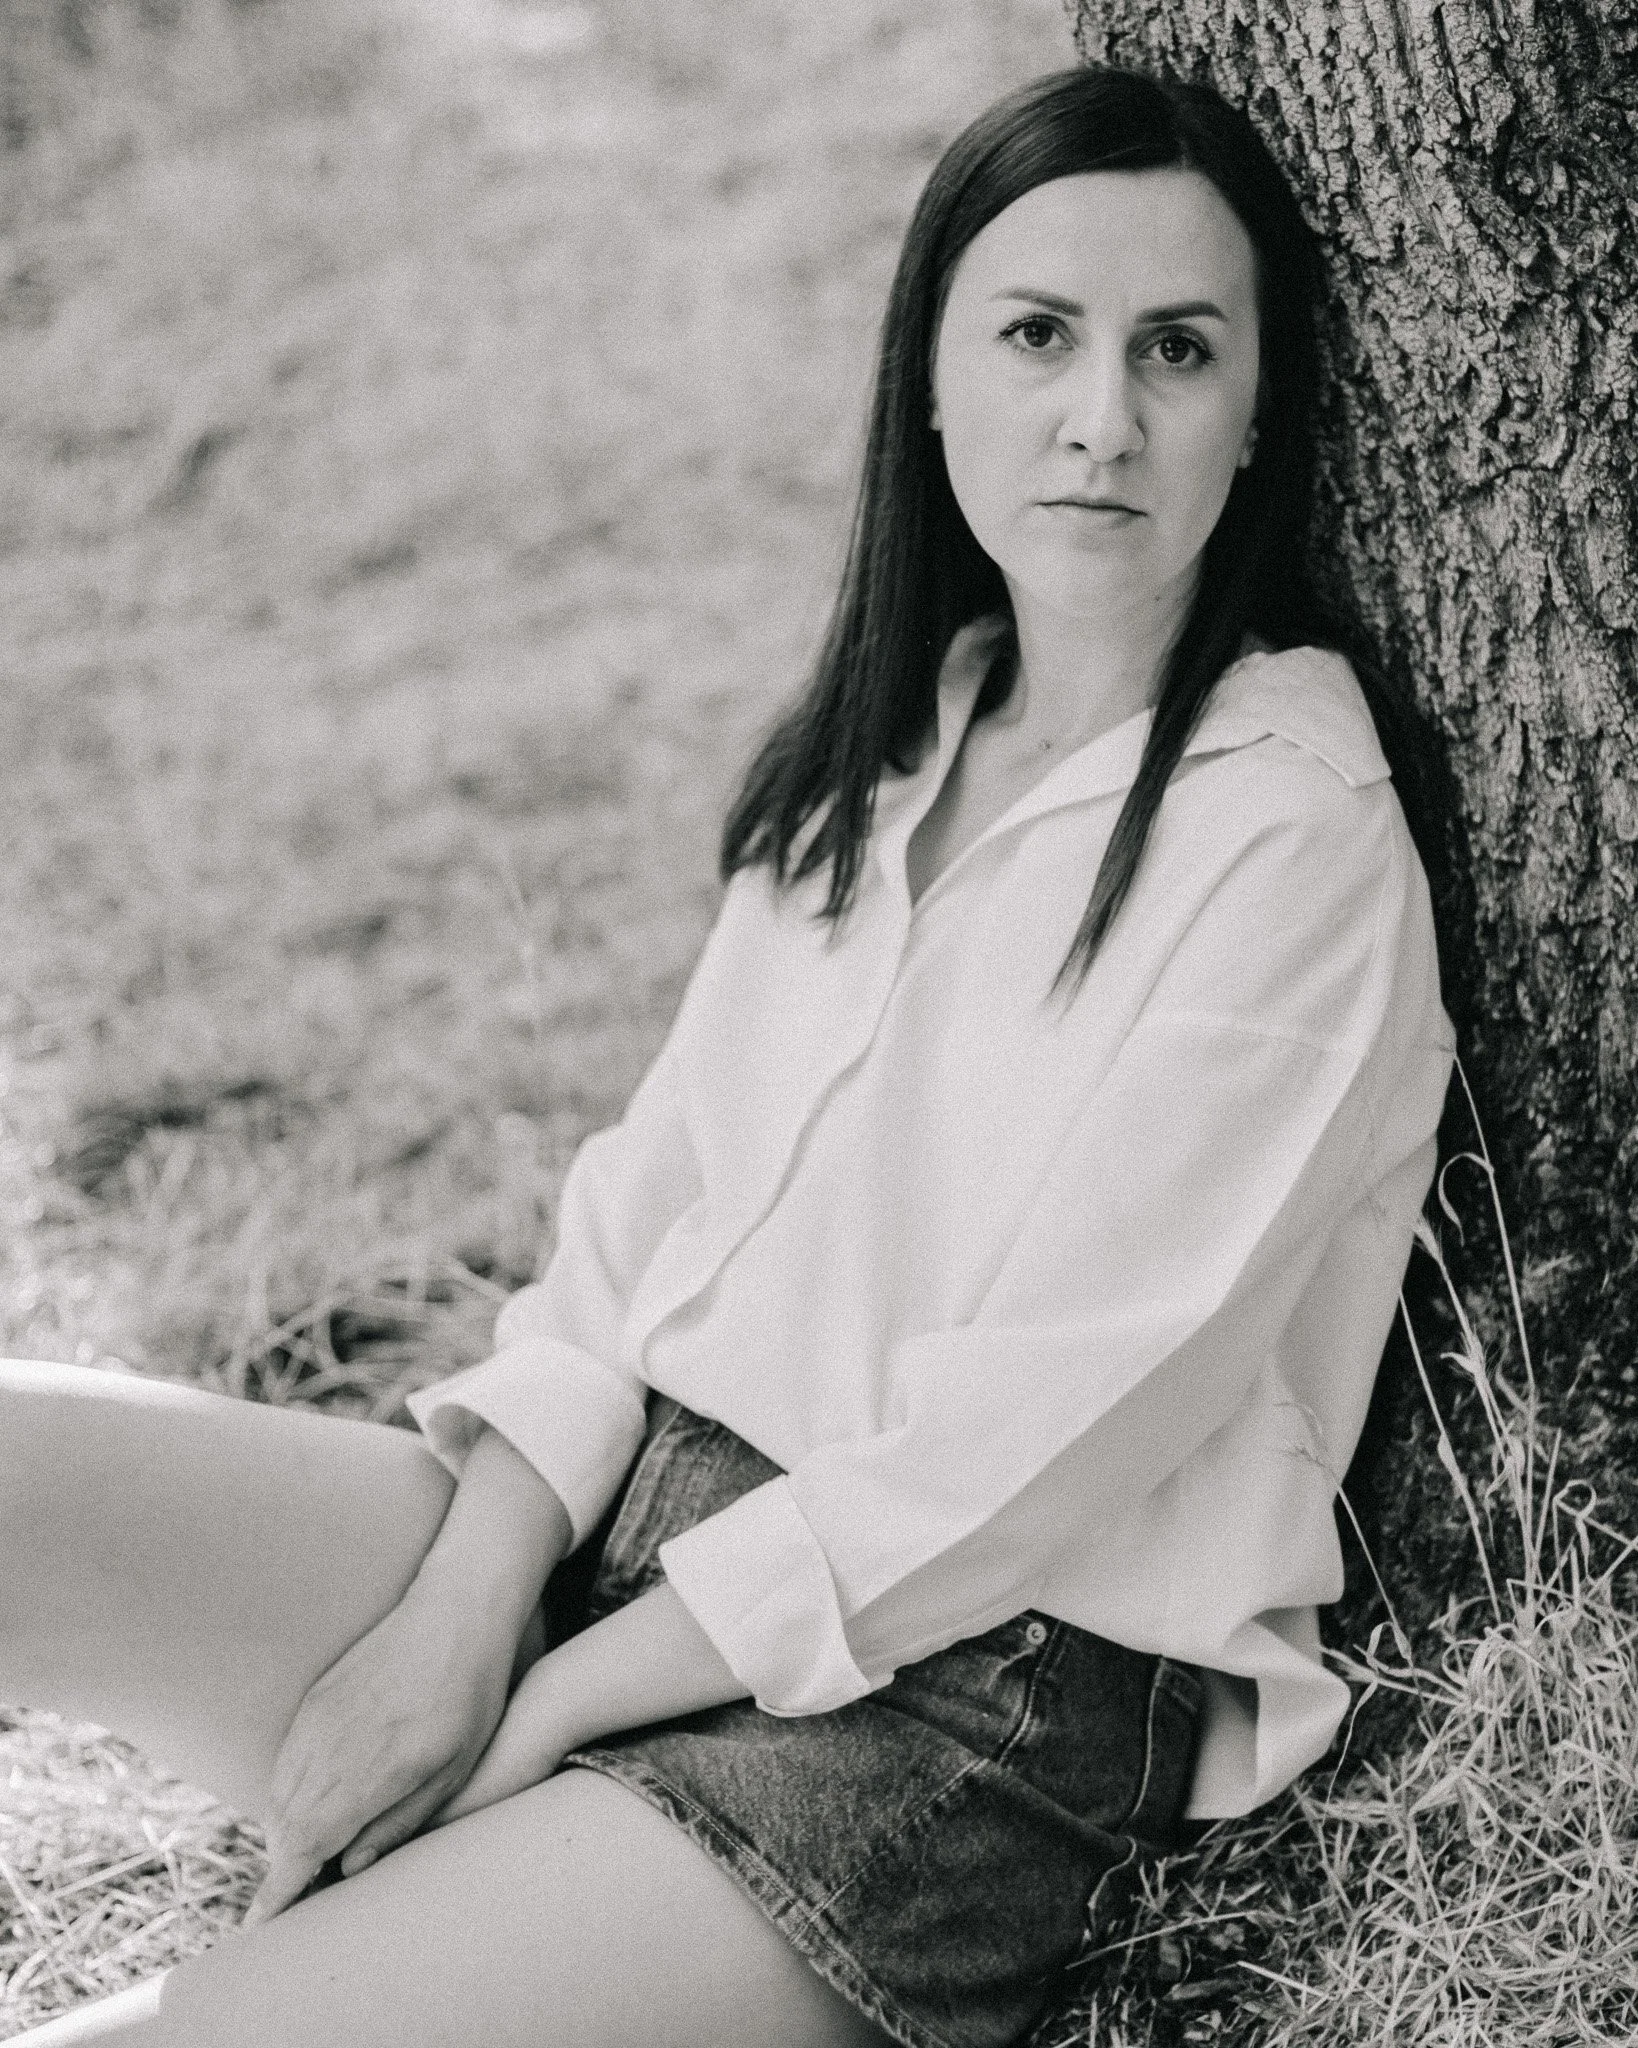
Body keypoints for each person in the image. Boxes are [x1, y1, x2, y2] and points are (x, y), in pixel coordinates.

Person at [1, 62, 1454, 2048]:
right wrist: (461, 1608)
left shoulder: (1289, 825)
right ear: (929, 377)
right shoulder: (901, 734)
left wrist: (541, 1712)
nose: (1100, 419)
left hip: (943, 1708)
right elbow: (648, 1224)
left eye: (1176, 351)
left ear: (1260, 411)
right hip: (618, 1529)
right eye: (1038, 334)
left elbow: (1025, 1458)